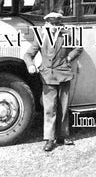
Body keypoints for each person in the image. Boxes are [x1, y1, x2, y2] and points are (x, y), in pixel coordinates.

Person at [23, 11, 83, 152]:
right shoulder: (41, 37)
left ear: (60, 24)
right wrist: (30, 65)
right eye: (51, 23)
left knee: (63, 107)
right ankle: (49, 139)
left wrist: (69, 58)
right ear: (46, 24)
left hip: (63, 74)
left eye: (57, 23)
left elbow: (78, 47)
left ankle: (63, 136)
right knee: (50, 108)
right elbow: (28, 54)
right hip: (47, 76)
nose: (54, 26)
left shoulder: (66, 35)